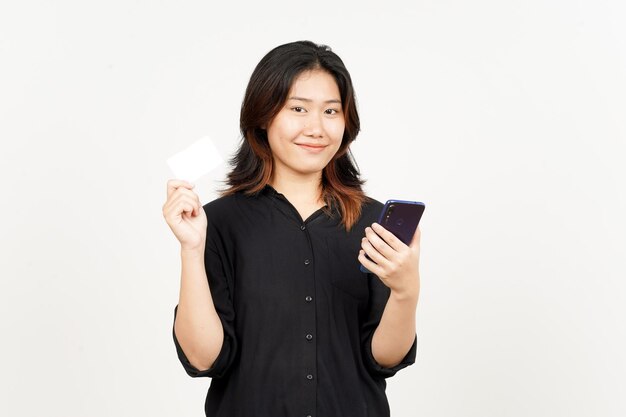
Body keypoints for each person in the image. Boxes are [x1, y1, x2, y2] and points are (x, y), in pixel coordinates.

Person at [162, 40, 422, 417]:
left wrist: (406, 291)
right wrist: (190, 248)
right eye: (298, 109)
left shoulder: (374, 223)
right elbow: (204, 359)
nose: (316, 128)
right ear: (264, 116)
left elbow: (384, 357)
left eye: (331, 111)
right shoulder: (216, 222)